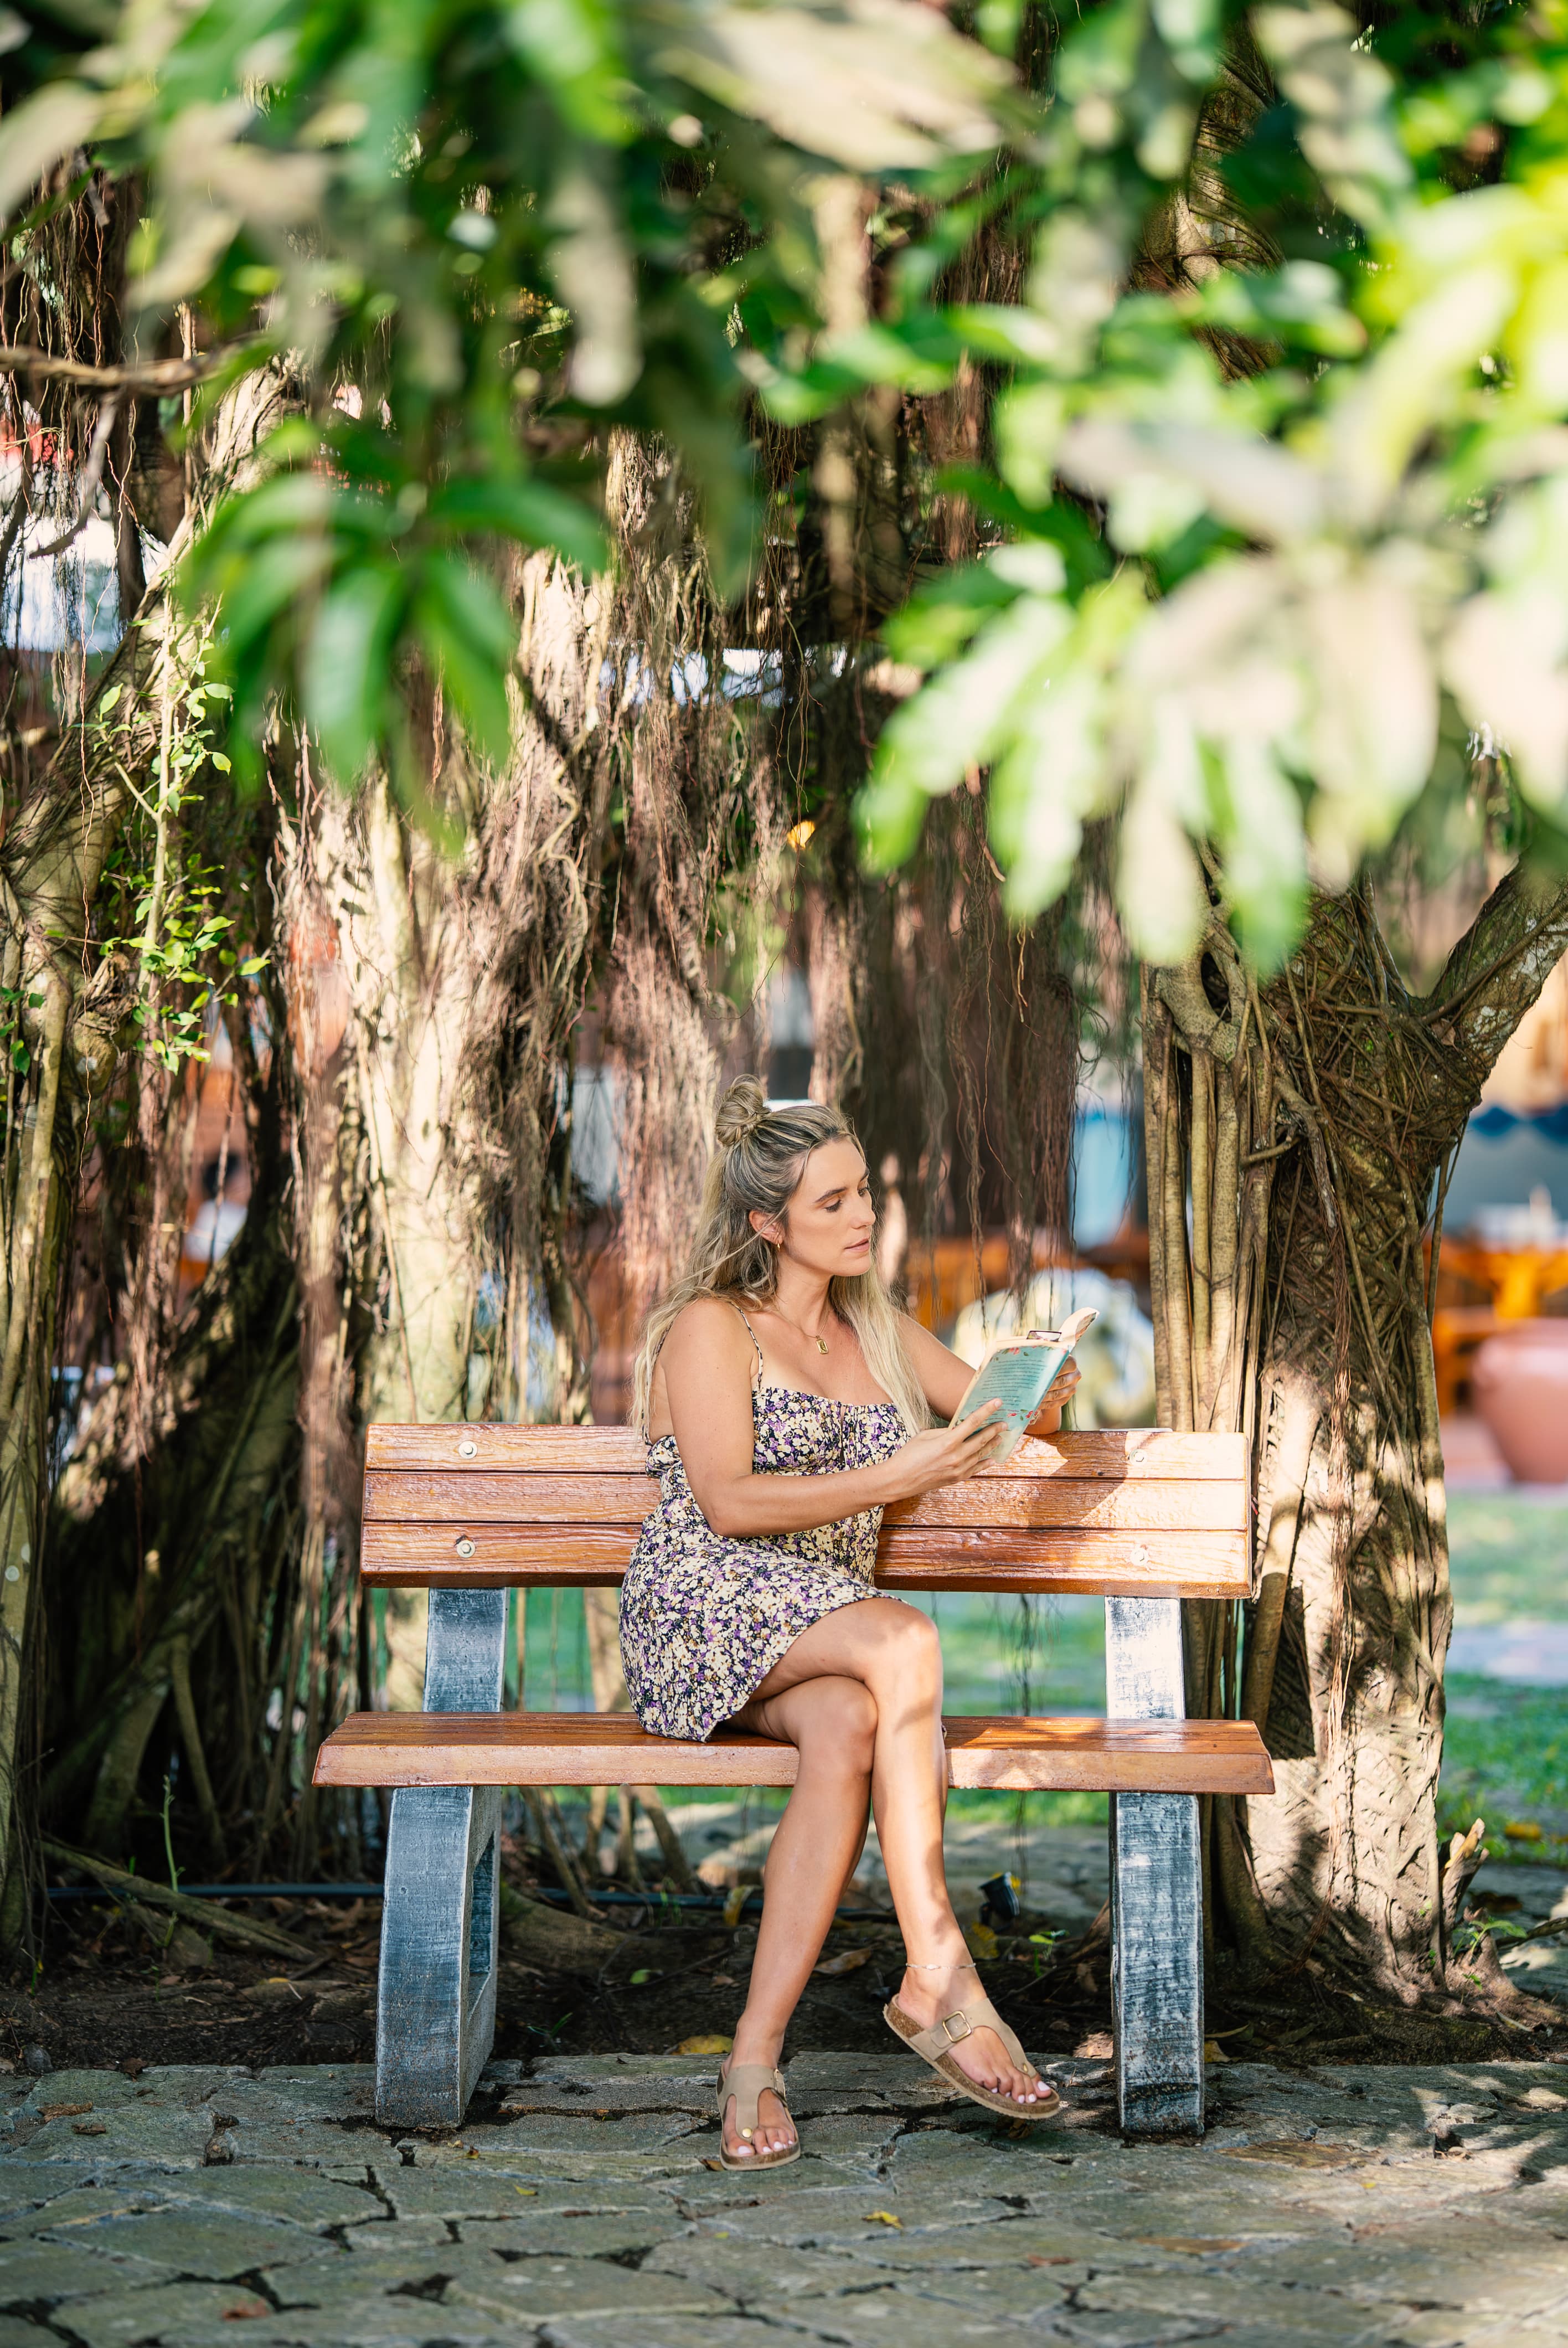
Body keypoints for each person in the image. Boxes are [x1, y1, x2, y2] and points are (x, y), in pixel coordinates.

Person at [621, 1078, 1080, 2171]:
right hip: (705, 1602)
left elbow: (993, 1415)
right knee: (904, 1639)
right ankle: (939, 1971)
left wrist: (1039, 1387)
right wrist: (896, 1471)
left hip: (819, 1623)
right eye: (832, 1201)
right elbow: (727, 1502)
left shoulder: (874, 1326)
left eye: (864, 1190)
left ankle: (753, 2057)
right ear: (767, 1223)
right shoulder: (713, 1327)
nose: (863, 1214)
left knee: (846, 1727)